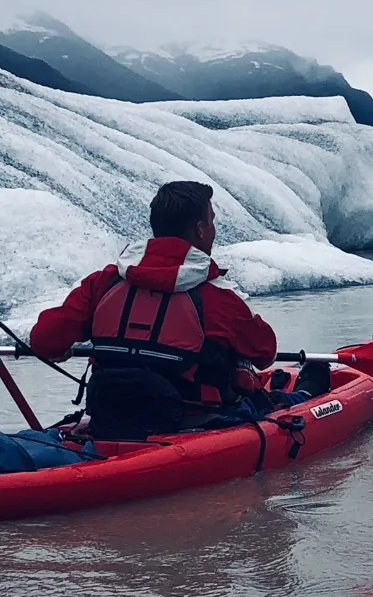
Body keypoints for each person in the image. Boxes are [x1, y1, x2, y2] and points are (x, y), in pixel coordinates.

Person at [30, 180, 279, 439]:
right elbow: (265, 352)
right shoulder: (219, 297)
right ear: (200, 230)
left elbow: (44, 340)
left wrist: (62, 348)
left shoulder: (105, 282)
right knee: (284, 396)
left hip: (109, 417)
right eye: (212, 221)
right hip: (190, 423)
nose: (213, 229)